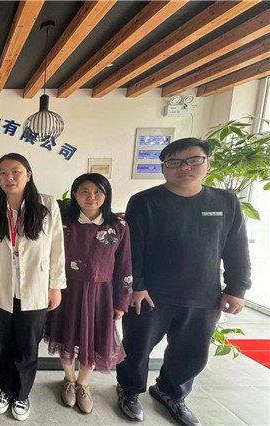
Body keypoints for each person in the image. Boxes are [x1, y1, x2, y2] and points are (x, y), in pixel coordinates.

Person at [116, 138, 252, 426]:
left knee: (191, 353)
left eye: (193, 160)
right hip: (150, 294)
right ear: (164, 168)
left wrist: (237, 288)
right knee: (136, 348)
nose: (184, 167)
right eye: (175, 162)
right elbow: (132, 249)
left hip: (203, 295)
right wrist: (136, 286)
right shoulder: (144, 201)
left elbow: (237, 248)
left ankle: (170, 393)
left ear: (207, 163)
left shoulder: (225, 201)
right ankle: (129, 390)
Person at [0, 153, 66, 421]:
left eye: (15, 171)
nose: (9, 177)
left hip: (36, 287)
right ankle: (4, 387)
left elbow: (57, 247)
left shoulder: (47, 204)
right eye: (3, 173)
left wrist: (55, 286)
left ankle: (22, 393)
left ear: (28, 175)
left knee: (27, 345)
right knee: (3, 343)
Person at [43, 173, 133, 415]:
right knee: (67, 335)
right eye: (84, 191)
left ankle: (83, 384)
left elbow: (125, 266)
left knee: (93, 341)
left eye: (97, 191)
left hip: (101, 295)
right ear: (75, 194)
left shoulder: (119, 226)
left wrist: (121, 302)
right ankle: (68, 379)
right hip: (67, 291)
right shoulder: (63, 223)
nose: (91, 196)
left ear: (106, 195)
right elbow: (50, 258)